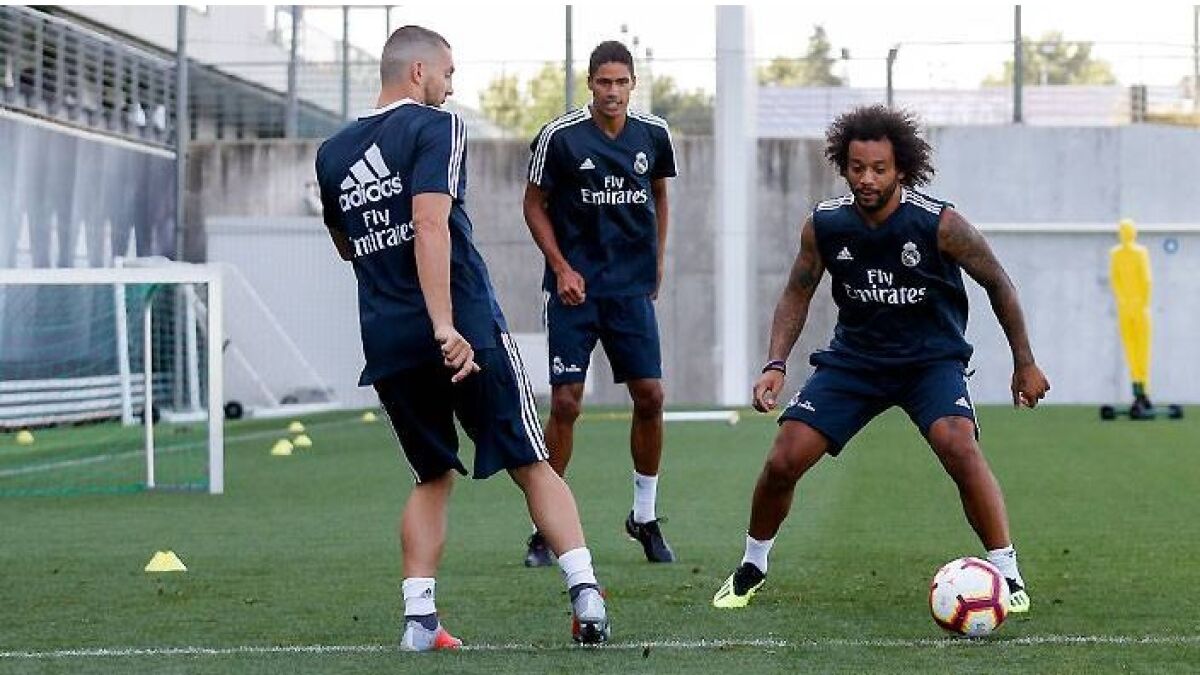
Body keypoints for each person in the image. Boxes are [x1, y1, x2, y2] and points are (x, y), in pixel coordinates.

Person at [315, 25, 609, 650]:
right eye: (448, 73)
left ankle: (419, 620)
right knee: (531, 461)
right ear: (418, 72)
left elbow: (346, 245)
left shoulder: (333, 153)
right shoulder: (437, 127)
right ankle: (586, 592)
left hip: (390, 341)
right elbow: (430, 222)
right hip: (464, 330)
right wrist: (445, 325)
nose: (452, 87)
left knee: (431, 476)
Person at [711, 104, 1050, 614]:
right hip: (855, 363)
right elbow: (797, 291)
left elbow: (998, 282)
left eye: (879, 169)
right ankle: (752, 565)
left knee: (958, 446)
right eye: (857, 168)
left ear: (901, 170)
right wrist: (775, 364)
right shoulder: (825, 225)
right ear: (843, 166)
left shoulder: (940, 224)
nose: (866, 179)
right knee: (784, 459)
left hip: (930, 362)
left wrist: (1024, 362)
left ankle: (1006, 572)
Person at [521, 41, 678, 566]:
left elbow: (659, 194)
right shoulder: (560, 137)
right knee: (566, 403)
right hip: (575, 292)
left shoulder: (653, 135)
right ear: (590, 83)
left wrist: (657, 260)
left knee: (651, 396)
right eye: (604, 82)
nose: (613, 91)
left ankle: (644, 517)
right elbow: (533, 205)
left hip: (630, 290)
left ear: (633, 84)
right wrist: (562, 267)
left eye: (621, 82)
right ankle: (544, 529)